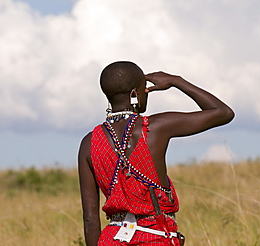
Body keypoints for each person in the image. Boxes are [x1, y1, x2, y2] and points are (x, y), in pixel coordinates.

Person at [78, 61, 234, 245]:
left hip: (112, 239)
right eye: (145, 89)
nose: (147, 94)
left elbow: (90, 219)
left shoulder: (89, 143)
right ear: (134, 93)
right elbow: (223, 113)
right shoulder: (156, 128)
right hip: (155, 238)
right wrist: (176, 81)